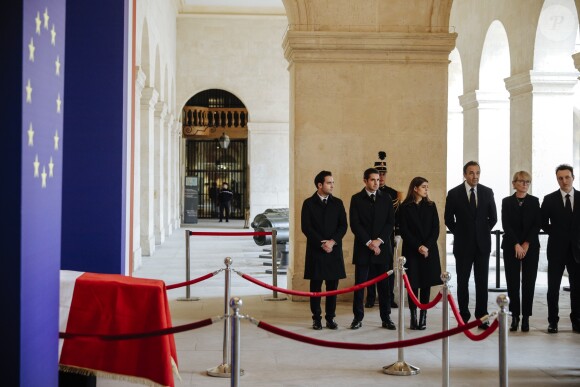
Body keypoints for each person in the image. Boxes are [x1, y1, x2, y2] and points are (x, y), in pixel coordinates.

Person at [444, 161, 497, 329]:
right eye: (472, 173)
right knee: (463, 281)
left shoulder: (487, 192)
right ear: (465, 174)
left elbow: (493, 218)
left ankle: (482, 316)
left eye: (478, 173)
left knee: (482, 282)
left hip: (482, 245)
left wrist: (481, 232)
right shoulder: (454, 193)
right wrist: (460, 232)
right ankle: (464, 317)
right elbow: (448, 219)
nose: (475, 176)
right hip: (463, 245)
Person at [349, 168, 396, 330]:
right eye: (372, 180)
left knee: (384, 287)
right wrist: (369, 242)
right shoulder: (356, 199)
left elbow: (390, 222)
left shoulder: (387, 198)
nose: (376, 182)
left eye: (378, 179)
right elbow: (355, 224)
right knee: (360, 286)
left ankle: (386, 317)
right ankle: (357, 318)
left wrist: (378, 241)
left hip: (382, 249)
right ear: (365, 181)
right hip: (363, 248)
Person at [301, 171, 348, 330]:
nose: (332, 185)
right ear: (319, 185)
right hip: (316, 250)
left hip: (334, 250)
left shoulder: (338, 203)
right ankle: (316, 318)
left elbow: (343, 226)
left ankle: (330, 318)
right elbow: (306, 227)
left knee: (332, 288)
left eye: (333, 182)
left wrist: (332, 242)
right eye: (329, 183)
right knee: (315, 287)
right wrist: (322, 243)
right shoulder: (308, 203)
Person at [540, 164, 580, 334]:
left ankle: (577, 320)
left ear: (573, 177)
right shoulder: (549, 199)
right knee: (553, 288)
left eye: (567, 177)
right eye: (560, 178)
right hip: (556, 250)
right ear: (557, 179)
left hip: (577, 251)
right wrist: (556, 233)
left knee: (577, 288)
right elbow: (542, 223)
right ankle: (553, 321)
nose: (564, 181)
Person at [399, 177, 442, 330]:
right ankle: (413, 316)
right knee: (413, 284)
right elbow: (404, 230)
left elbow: (435, 229)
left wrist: (426, 246)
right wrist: (418, 246)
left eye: (427, 187)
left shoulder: (431, 205)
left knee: (426, 283)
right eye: (423, 187)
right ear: (415, 189)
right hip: (412, 250)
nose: (426, 189)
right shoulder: (404, 207)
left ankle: (423, 316)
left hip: (428, 250)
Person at [501, 171, 541, 332]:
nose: (525, 184)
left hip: (530, 247)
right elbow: (506, 224)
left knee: (529, 282)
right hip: (511, 246)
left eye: (527, 182)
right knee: (512, 283)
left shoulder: (534, 201)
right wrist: (516, 244)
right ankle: (515, 317)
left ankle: (526, 318)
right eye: (521, 181)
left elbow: (537, 224)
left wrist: (526, 243)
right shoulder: (507, 202)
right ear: (514, 183)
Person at [365, 151, 402, 309]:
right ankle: (371, 297)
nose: (381, 176)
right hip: (370, 238)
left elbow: (396, 217)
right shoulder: (365, 195)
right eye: (378, 173)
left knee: (388, 269)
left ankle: (389, 297)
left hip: (387, 237)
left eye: (383, 173)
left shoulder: (393, 194)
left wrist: (398, 234)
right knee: (370, 269)